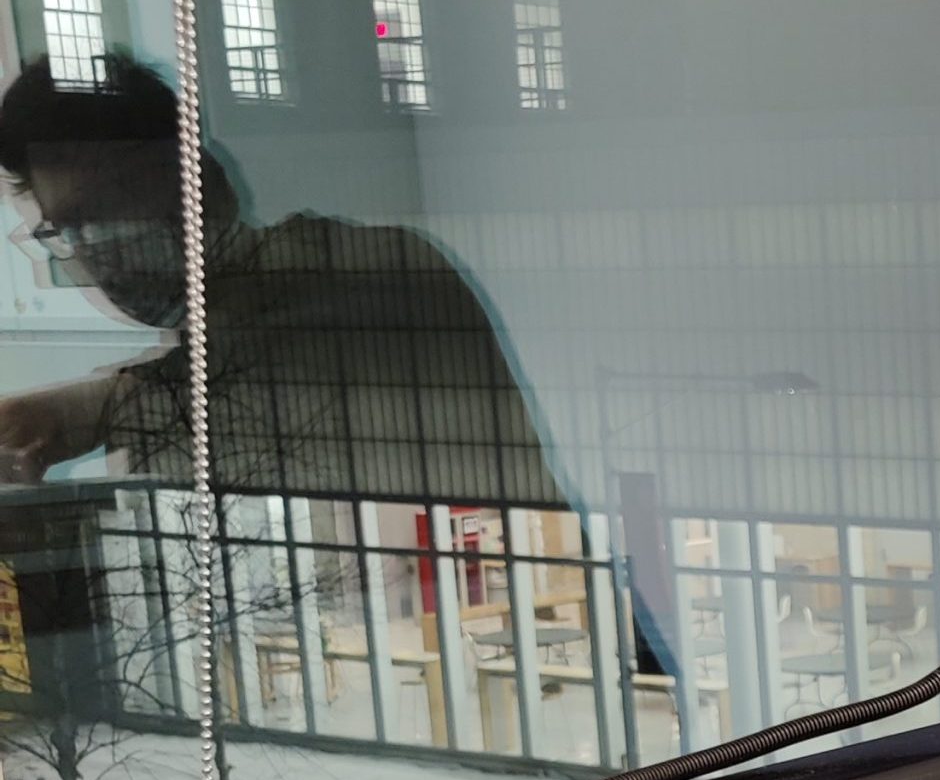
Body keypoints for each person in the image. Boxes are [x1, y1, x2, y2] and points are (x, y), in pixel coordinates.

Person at [0, 50, 558, 508]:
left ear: (201, 180)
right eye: (74, 227)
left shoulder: (372, 269)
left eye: (115, 205)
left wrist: (111, 403)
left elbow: (282, 338)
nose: (104, 251)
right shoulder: (194, 362)